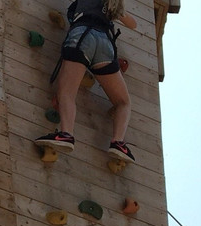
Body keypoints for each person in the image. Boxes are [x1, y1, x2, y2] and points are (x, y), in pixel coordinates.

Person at [35, 0, 137, 163]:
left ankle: (66, 134)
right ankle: (118, 142)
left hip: (82, 37)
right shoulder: (113, 3)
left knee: (67, 93)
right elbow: (133, 24)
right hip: (105, 46)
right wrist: (118, 11)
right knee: (123, 102)